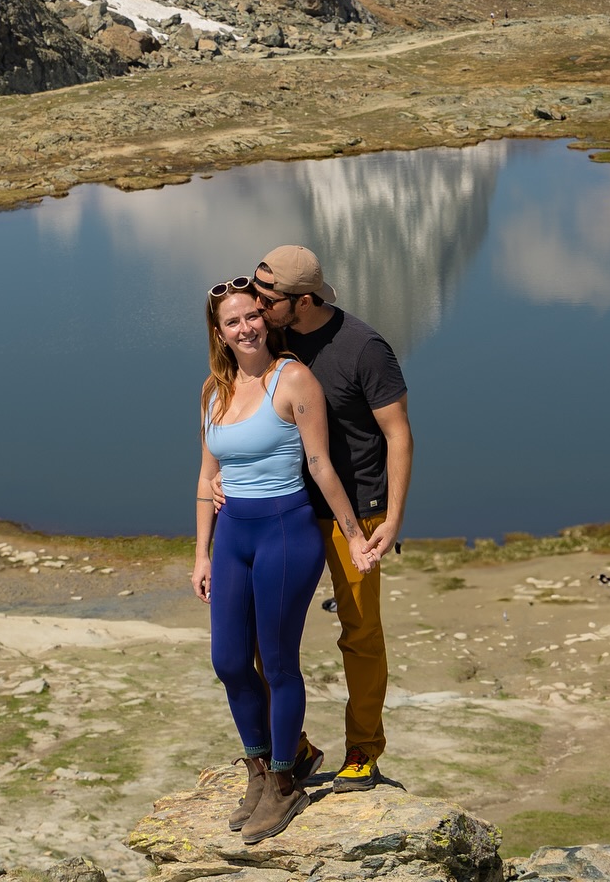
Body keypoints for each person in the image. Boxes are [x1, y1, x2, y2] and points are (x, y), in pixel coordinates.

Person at [193, 278, 372, 845]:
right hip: (233, 537)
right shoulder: (214, 390)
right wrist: (201, 554)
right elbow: (206, 476)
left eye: (252, 316)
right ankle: (257, 768)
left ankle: (284, 781)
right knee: (228, 661)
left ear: (265, 319)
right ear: (219, 333)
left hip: (285, 533)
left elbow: (320, 465)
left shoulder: (292, 379)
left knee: (276, 663)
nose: (245, 328)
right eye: (232, 322)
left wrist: (354, 535)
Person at [251, 245, 413, 793]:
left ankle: (363, 749)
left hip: (360, 514)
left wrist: (392, 517)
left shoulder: (364, 348)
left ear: (303, 301)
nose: (256, 305)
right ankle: (293, 746)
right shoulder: (270, 339)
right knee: (266, 632)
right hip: (290, 506)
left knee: (361, 633)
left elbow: (398, 435)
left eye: (267, 298)